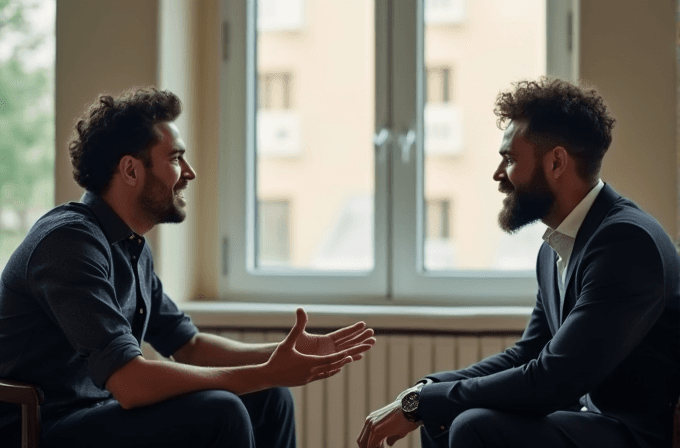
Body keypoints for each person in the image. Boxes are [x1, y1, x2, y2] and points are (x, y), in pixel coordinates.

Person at [0, 87, 376, 448]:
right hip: (42, 427)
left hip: (94, 413)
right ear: (130, 171)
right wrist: (263, 373)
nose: (189, 172)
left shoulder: (130, 247)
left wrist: (279, 355)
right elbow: (130, 383)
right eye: (176, 158)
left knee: (269, 398)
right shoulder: (69, 243)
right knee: (222, 411)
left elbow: (189, 346)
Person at [358, 77, 680, 448]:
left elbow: (552, 381)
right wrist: (426, 390)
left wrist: (423, 403)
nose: (498, 174)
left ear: (556, 162)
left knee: (472, 426)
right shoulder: (557, 245)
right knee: (443, 418)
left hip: (632, 434)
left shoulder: (626, 243)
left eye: (510, 159)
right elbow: (529, 353)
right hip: (586, 421)